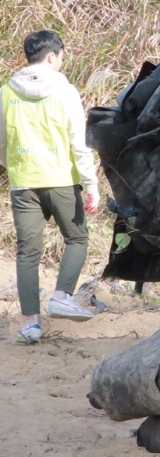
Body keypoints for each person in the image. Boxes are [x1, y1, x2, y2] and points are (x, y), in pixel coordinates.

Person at [1, 30, 100, 344]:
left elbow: (1, 143)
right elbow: (79, 144)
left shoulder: (5, 92)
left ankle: (31, 322)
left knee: (27, 252)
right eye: (61, 56)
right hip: (60, 179)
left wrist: (15, 165)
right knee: (78, 238)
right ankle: (61, 296)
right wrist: (91, 184)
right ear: (51, 56)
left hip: (23, 182)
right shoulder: (66, 91)